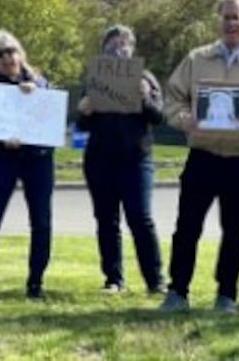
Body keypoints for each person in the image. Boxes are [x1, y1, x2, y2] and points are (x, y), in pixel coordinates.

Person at [160, 0, 239, 314]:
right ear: (219, 21)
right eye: (226, 17)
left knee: (234, 232)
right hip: (202, 156)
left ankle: (226, 295)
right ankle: (177, 292)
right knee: (187, 227)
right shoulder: (197, 59)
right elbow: (173, 98)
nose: (231, 23)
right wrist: (183, 119)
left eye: (237, 17)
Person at [76, 24, 165, 295]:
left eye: (124, 43)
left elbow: (159, 117)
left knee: (140, 217)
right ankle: (114, 279)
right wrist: (84, 110)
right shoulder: (95, 79)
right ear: (104, 49)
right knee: (106, 220)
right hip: (100, 160)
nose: (119, 47)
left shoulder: (146, 78)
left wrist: (144, 98)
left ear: (133, 47)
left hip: (136, 158)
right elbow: (82, 125)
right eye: (112, 43)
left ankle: (155, 280)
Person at [0, 29, 55, 300]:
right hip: (2, 160)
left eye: (11, 51)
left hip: (37, 160)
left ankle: (35, 284)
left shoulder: (40, 83)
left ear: (20, 53)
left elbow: (50, 118)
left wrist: (35, 92)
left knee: (41, 222)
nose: (7, 58)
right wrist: (0, 142)